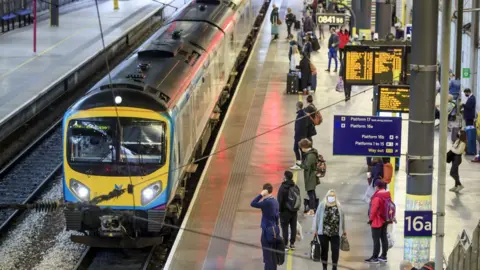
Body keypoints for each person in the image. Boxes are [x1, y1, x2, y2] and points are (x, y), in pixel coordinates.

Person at [312, 189, 346, 270]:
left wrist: (344, 230)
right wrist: (315, 230)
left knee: (335, 251)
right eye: (330, 196)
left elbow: (342, 218)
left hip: (335, 232)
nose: (331, 198)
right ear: (327, 196)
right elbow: (317, 217)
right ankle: (324, 267)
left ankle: (334, 267)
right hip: (323, 233)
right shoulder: (322, 205)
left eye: (333, 196)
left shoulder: (339, 206)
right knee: (324, 251)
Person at [251, 183, 281, 270]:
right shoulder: (275, 201)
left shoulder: (266, 202)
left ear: (266, 191)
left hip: (267, 231)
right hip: (275, 230)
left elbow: (253, 203)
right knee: (273, 254)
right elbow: (276, 217)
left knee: (267, 255)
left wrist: (261, 195)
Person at [365, 180, 390, 264]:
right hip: (385, 219)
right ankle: (384, 256)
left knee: (376, 239)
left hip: (377, 220)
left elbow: (374, 209)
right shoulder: (387, 194)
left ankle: (375, 257)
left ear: (377, 187)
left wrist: (370, 219)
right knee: (384, 238)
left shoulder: (377, 197)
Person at [277, 170, 299, 250]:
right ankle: (292, 244)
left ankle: (285, 244)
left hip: (285, 211)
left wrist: (280, 210)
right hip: (294, 211)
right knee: (293, 227)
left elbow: (280, 200)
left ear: (285, 177)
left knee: (285, 227)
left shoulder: (282, 187)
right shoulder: (295, 186)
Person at [298, 138, 318, 216]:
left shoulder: (310, 156)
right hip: (310, 175)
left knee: (310, 193)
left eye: (302, 148)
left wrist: (299, 164)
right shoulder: (311, 153)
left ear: (305, 147)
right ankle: (314, 208)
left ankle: (312, 210)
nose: (301, 150)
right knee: (312, 192)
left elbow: (307, 167)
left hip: (310, 176)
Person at [291, 102, 308, 169]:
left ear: (297, 106)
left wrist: (296, 136)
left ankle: (298, 164)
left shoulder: (300, 115)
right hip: (302, 135)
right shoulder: (303, 113)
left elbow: (298, 127)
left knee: (295, 148)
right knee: (301, 149)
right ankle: (303, 162)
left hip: (299, 136)